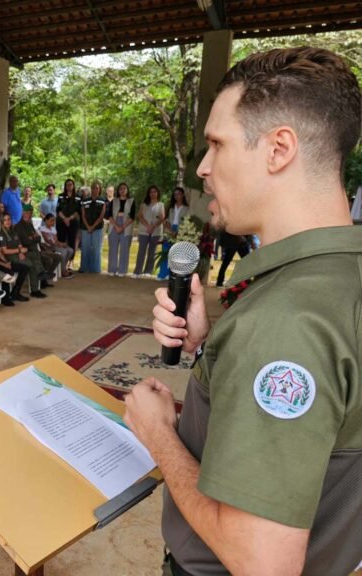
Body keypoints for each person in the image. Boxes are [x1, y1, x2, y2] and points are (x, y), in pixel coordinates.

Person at [124, 47, 362, 576]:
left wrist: (158, 434)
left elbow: (262, 562)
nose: (204, 168)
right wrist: (215, 345)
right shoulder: (338, 277)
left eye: (216, 143)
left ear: (278, 149)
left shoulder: (285, 319)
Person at [0, 213, 47, 299]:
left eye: (9, 219)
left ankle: (41, 274)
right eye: (5, 220)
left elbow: (19, 244)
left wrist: (20, 252)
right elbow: (4, 251)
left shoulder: (13, 231)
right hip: (9, 257)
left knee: (34, 254)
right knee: (30, 264)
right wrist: (19, 250)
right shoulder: (1, 234)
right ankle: (28, 290)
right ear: (2, 222)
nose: (7, 222)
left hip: (17, 254)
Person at [15, 206, 59, 289]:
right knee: (40, 260)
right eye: (27, 213)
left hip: (35, 250)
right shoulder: (19, 226)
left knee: (53, 258)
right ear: (22, 213)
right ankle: (39, 280)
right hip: (26, 252)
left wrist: (33, 238)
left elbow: (38, 238)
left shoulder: (30, 225)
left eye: (30, 213)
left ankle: (43, 278)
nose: (29, 215)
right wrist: (33, 238)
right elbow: (25, 241)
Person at [132, 185, 165, 278]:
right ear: (148, 194)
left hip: (156, 231)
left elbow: (162, 218)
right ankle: (137, 272)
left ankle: (148, 271)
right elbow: (140, 216)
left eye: (155, 191)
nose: (153, 193)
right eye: (151, 192)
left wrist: (153, 226)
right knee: (141, 251)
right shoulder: (144, 204)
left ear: (157, 193)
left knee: (152, 252)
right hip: (144, 230)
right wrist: (148, 226)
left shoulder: (161, 204)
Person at [79, 181, 107, 273]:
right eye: (93, 188)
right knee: (85, 249)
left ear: (99, 190)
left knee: (96, 249)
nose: (95, 190)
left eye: (97, 188)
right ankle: (84, 268)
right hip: (85, 228)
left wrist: (92, 227)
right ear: (91, 189)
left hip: (97, 228)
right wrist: (88, 226)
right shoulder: (85, 201)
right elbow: (83, 215)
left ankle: (95, 269)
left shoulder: (102, 201)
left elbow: (101, 216)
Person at [107, 182, 134, 277]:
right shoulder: (113, 201)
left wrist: (122, 227)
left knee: (124, 249)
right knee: (113, 249)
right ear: (118, 191)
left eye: (124, 189)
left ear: (127, 190)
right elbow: (109, 215)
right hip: (114, 225)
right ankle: (112, 269)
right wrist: (116, 226)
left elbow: (132, 217)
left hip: (126, 226)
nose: (122, 190)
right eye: (121, 189)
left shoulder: (132, 201)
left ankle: (122, 271)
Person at [38, 213, 74, 277]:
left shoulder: (53, 229)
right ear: (46, 220)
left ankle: (63, 268)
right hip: (49, 247)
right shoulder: (42, 229)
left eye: (54, 220)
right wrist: (60, 244)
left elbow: (56, 240)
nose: (53, 222)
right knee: (64, 251)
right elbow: (48, 241)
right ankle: (63, 271)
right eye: (51, 221)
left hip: (55, 245)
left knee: (70, 250)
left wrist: (62, 244)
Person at [56, 178, 80, 254]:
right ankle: (61, 258)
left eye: (71, 184)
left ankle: (71, 261)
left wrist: (69, 219)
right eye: (67, 184)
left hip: (73, 222)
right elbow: (58, 209)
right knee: (61, 240)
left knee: (72, 241)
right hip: (61, 222)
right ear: (65, 186)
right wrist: (64, 219)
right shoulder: (60, 196)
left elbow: (78, 210)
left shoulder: (78, 197)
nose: (69, 186)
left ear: (73, 186)